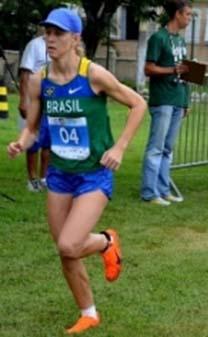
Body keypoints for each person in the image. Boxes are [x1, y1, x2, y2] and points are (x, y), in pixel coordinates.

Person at [7, 8, 146, 334]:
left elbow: (138, 104)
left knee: (71, 244)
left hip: (93, 174)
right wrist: (21, 141)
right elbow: (32, 127)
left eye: (57, 33)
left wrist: (120, 147)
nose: (50, 39)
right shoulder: (41, 81)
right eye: (47, 32)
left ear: (75, 38)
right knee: (66, 252)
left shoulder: (93, 75)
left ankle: (106, 241)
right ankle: (89, 313)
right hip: (60, 174)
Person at [141, 0, 192, 206]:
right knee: (156, 147)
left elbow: (185, 71)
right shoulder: (158, 38)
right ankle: (149, 192)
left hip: (178, 99)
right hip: (162, 99)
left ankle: (163, 189)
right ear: (177, 15)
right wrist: (172, 70)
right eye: (188, 14)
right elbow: (148, 68)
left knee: (168, 148)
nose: (189, 18)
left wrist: (186, 101)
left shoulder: (180, 41)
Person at [18, 31, 51, 191]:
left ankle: (44, 178)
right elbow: (25, 74)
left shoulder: (61, 47)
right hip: (34, 98)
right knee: (33, 140)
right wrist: (23, 100)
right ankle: (32, 179)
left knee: (48, 141)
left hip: (51, 100)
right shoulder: (34, 45)